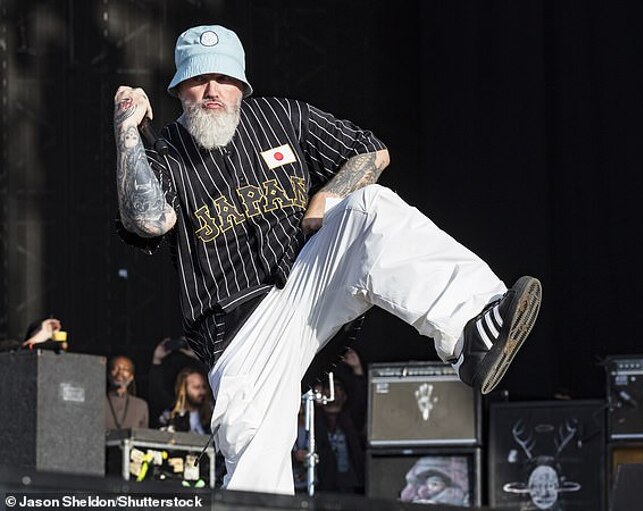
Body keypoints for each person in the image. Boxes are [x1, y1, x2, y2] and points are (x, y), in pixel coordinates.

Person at [113, 24, 542, 493]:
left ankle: (471, 329)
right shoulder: (166, 153)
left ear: (242, 84)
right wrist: (127, 131)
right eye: (199, 79)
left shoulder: (280, 118)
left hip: (305, 284)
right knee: (257, 479)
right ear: (179, 89)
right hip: (239, 336)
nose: (213, 90)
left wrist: (326, 196)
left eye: (224, 78)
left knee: (370, 208)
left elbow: (372, 152)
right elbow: (147, 219)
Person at [158, 367, 212, 434]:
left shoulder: (212, 415)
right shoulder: (169, 416)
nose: (202, 392)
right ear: (183, 390)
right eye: (196, 387)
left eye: (204, 387)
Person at [105, 355, 149, 430]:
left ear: (131, 377)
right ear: (109, 375)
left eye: (125, 369)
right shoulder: (97, 401)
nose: (120, 373)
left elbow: (143, 434)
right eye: (115, 369)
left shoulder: (140, 406)